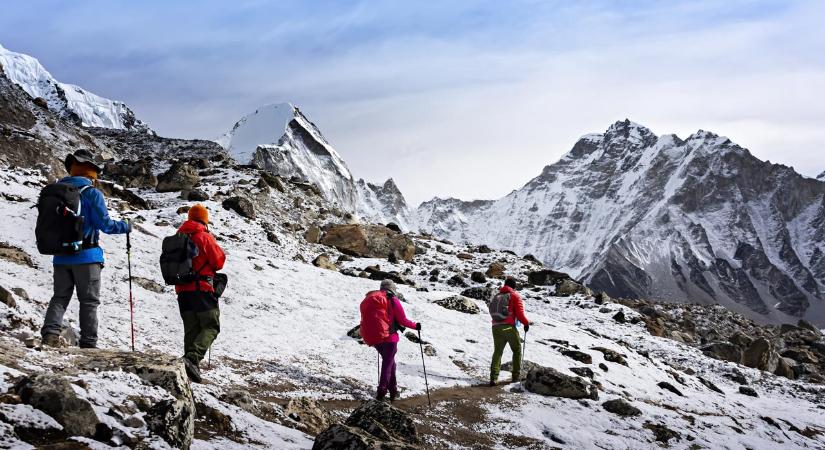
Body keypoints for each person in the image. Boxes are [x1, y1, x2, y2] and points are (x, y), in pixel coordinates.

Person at [41, 149, 131, 349]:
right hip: (87, 257)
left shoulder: (57, 191)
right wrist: (126, 226)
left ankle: (49, 334)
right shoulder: (91, 193)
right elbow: (105, 225)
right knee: (89, 302)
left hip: (61, 256)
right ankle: (89, 344)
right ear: (92, 173)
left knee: (60, 297)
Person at [175, 204, 225, 383]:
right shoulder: (204, 237)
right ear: (204, 219)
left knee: (192, 328)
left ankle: (188, 369)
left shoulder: (179, 236)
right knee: (211, 326)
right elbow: (219, 262)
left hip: (182, 291)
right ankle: (192, 359)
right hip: (202, 290)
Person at [366, 280, 419, 402]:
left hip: (376, 338)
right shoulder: (392, 300)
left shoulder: (373, 299)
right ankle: (381, 392)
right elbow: (403, 320)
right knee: (387, 364)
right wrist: (416, 326)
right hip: (389, 338)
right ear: (392, 288)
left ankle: (393, 390)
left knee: (390, 363)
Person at [489, 277, 530, 386]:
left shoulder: (497, 296)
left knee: (498, 351)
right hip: (508, 328)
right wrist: (526, 323)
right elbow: (520, 314)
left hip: (495, 327)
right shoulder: (515, 296)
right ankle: (515, 376)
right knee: (516, 349)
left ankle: (493, 378)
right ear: (514, 287)